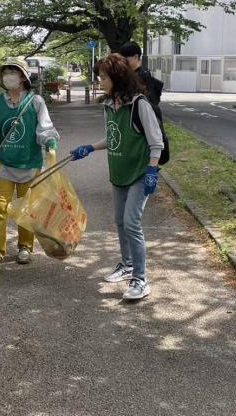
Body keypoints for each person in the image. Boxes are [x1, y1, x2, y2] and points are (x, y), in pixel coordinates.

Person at [70, 54, 163, 301]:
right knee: (120, 222)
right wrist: (89, 147)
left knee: (132, 222)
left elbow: (157, 143)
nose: (100, 81)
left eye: (103, 77)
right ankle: (127, 264)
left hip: (140, 173)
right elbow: (113, 138)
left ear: (117, 77)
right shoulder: (109, 106)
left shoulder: (139, 105)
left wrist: (152, 171)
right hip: (119, 173)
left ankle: (140, 280)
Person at [0, 58, 59, 269]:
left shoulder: (35, 102)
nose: (8, 76)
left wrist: (49, 140)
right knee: (0, 209)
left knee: (26, 209)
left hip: (29, 163)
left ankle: (25, 247)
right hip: (3, 163)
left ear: (22, 77)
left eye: (13, 71)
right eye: (6, 72)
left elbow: (44, 126)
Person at [118, 41, 164, 119]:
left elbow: (151, 101)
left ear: (136, 57)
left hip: (141, 120)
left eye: (125, 59)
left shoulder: (143, 75)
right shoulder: (132, 74)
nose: (123, 62)